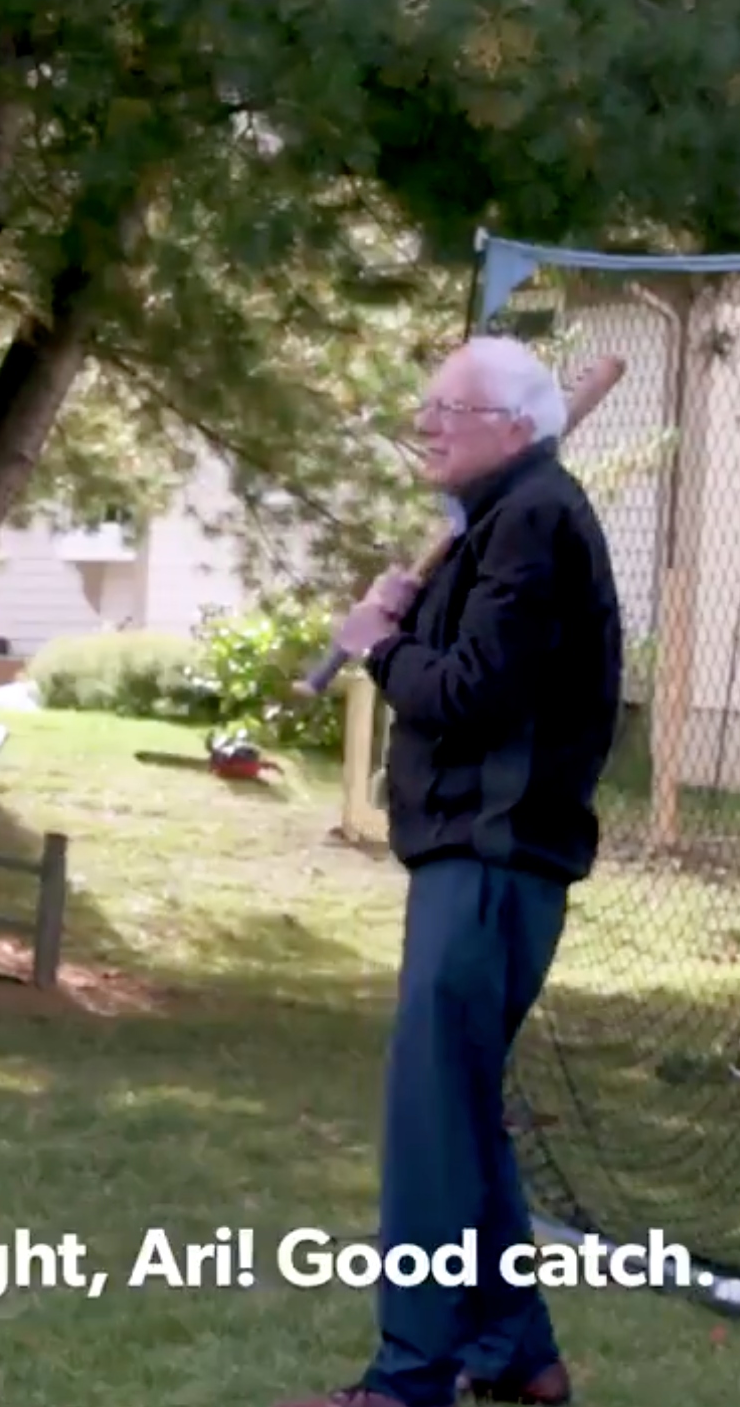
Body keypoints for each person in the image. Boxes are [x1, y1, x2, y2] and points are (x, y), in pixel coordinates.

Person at [280, 337, 624, 1407]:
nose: (426, 423)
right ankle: (518, 1354)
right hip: (484, 858)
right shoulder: (509, 518)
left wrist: (380, 649)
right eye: (425, 404)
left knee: (433, 1120)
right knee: (463, 1109)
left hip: (491, 858)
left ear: (516, 426)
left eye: (450, 407)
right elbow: (477, 656)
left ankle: (408, 1377)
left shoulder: (532, 519)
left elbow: (470, 693)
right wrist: (406, 611)